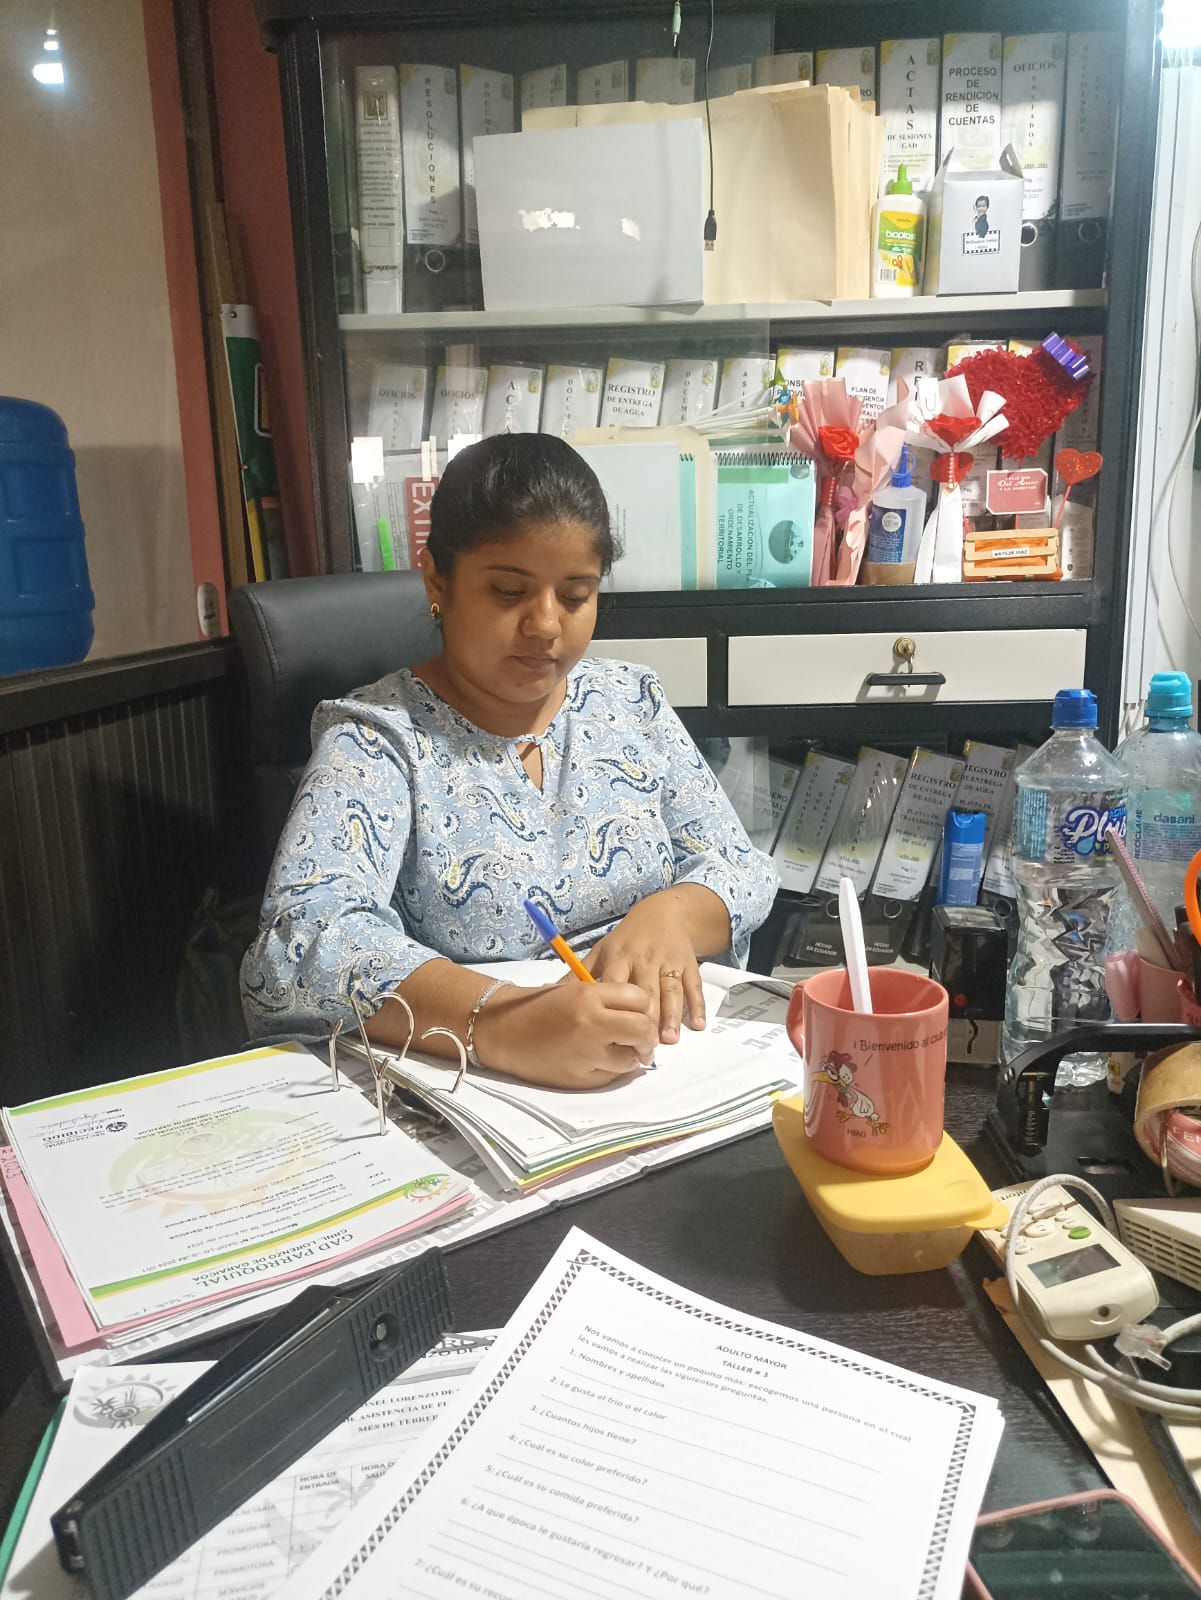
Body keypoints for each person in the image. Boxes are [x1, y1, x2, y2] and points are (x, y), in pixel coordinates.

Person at [241, 434, 778, 1090]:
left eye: (575, 596)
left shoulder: (629, 701)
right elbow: (304, 941)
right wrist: (500, 1024)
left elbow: (741, 867)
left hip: (669, 1070)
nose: (546, 625)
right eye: (507, 591)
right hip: (485, 1084)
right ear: (437, 580)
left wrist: (672, 916)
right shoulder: (379, 739)